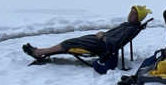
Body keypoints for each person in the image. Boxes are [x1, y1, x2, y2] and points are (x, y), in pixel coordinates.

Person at [22, 5, 152, 61]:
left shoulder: (130, 28)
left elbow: (115, 43)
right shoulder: (129, 25)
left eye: (133, 13)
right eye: (130, 11)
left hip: (101, 45)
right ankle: (42, 51)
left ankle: (38, 52)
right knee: (72, 42)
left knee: (69, 43)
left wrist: (102, 36)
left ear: (138, 18)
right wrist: (103, 34)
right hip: (99, 41)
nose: (130, 14)